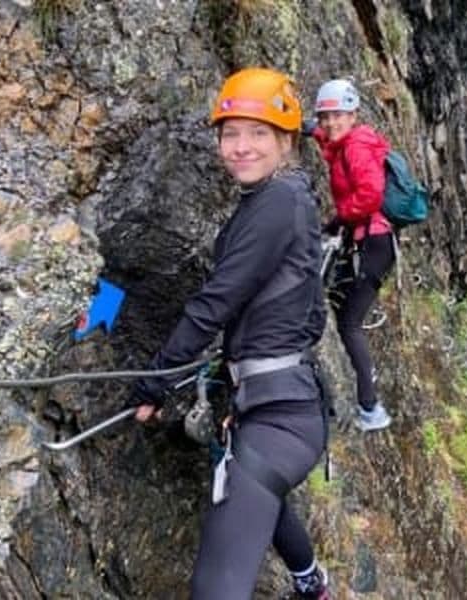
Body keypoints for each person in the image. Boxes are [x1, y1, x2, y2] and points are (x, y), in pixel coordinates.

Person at [129, 67, 330, 600]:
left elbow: (218, 300)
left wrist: (155, 380)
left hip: (279, 418)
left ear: (286, 141)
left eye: (258, 133)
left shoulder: (279, 203)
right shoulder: (274, 199)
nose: (241, 146)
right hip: (278, 403)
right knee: (261, 492)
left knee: (217, 583)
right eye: (230, 133)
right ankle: (311, 584)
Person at [310, 78, 395, 432]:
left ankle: (371, 408)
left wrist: (338, 218)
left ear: (353, 115)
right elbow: (328, 140)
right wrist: (308, 129)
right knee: (337, 306)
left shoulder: (356, 146)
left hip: (372, 243)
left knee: (349, 322)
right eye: (325, 116)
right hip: (368, 240)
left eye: (338, 115)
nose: (331, 122)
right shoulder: (346, 142)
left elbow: (371, 195)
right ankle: (364, 389)